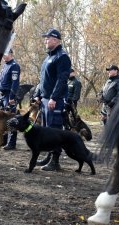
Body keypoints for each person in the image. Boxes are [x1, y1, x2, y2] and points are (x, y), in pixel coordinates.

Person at [33, 28, 71, 171]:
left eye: (47, 38)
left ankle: (55, 161)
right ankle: (48, 157)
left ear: (55, 40)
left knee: (55, 131)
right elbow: (43, 80)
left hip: (55, 101)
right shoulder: (48, 57)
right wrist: (38, 94)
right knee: (47, 131)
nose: (45, 40)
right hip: (45, 99)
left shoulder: (62, 57)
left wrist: (54, 97)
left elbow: (62, 80)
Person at [0, 49, 20, 150]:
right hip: (2, 96)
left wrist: (12, 97)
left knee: (10, 120)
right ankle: (3, 140)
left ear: (11, 54)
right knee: (2, 119)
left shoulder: (14, 65)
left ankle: (11, 143)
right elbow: (1, 80)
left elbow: (15, 83)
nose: (3, 57)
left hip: (9, 96)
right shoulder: (5, 65)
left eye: (5, 54)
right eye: (3, 55)